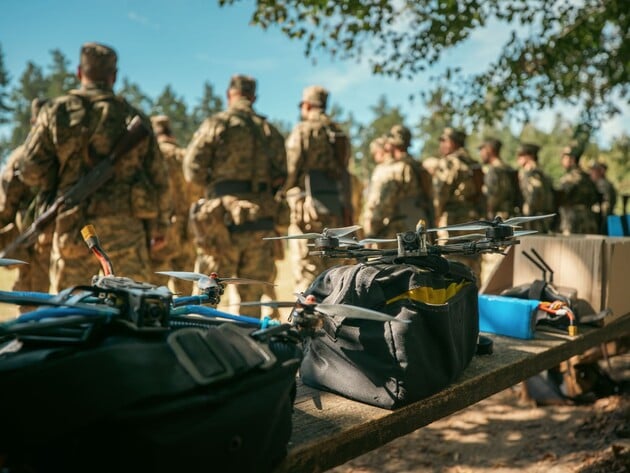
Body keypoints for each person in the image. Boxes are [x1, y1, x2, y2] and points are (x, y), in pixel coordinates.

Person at [16, 42, 171, 292]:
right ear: (114, 76)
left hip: (72, 231)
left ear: (79, 72)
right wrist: (161, 227)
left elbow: (29, 171)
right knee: (131, 314)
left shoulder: (56, 112)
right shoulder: (131, 116)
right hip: (127, 234)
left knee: (73, 315)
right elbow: (160, 179)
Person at [183, 74, 286, 317]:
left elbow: (191, 170)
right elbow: (283, 176)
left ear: (230, 94)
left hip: (222, 224)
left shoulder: (218, 123)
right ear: (253, 97)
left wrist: (214, 186)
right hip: (260, 224)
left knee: (208, 297)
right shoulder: (270, 132)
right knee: (251, 301)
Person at [283, 85, 351, 291]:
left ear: (307, 105)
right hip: (335, 210)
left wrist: (282, 191)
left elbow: (290, 169)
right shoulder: (338, 133)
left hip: (307, 212)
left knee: (307, 271)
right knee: (335, 271)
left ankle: (306, 320)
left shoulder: (303, 130)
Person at [0, 98, 53, 308]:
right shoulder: (67, 154)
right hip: (62, 240)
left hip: (34, 244)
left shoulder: (22, 157)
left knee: (32, 304)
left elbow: (6, 206)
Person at [149, 114, 201, 294]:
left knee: (155, 292)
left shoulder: (154, 156)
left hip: (162, 231)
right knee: (185, 295)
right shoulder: (185, 156)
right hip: (188, 231)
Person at [362, 125, 434, 239]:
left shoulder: (394, 169)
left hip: (400, 232)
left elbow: (382, 204)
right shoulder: (419, 167)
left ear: (391, 144)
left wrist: (371, 232)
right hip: (420, 227)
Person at [433, 127, 485, 279]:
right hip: (474, 221)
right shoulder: (473, 163)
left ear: (453, 143)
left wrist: (434, 219)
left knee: (452, 264)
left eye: (444, 140)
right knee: (473, 262)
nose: (441, 145)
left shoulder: (450, 163)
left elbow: (439, 195)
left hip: (454, 223)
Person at [556, 143, 600, 235]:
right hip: (589, 221)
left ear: (571, 159)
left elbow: (559, 199)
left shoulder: (570, 178)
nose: (562, 160)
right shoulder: (587, 177)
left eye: (564, 157)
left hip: (572, 222)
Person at [515, 143, 555, 233]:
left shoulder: (531, 174)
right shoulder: (543, 174)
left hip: (533, 221)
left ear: (530, 156)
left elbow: (533, 198)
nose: (518, 158)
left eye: (521, 155)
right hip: (541, 220)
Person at [478, 137, 521, 220]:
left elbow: (494, 195)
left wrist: (488, 212)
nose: (480, 154)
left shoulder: (494, 170)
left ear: (489, 150)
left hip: (497, 218)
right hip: (510, 215)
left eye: (482, 150)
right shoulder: (509, 168)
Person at [589, 160, 617, 235]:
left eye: (594, 171)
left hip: (602, 219)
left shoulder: (602, 183)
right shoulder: (600, 183)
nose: (591, 173)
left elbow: (605, 204)